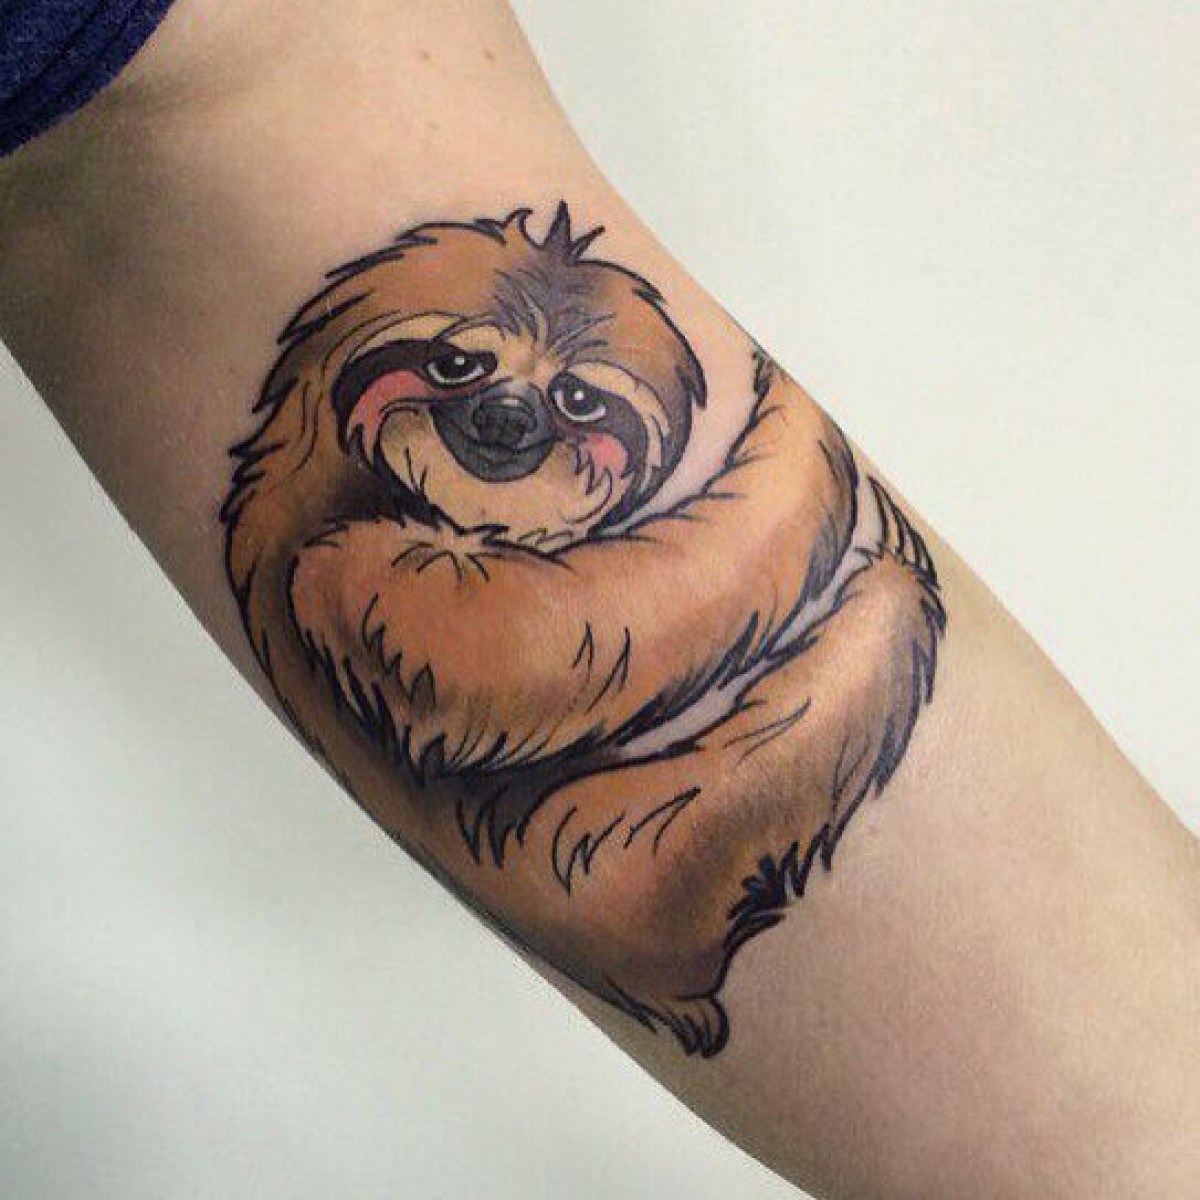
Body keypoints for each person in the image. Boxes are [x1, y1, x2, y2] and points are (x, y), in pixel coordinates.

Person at [1, 3, 1196, 1197]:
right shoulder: (346, 558)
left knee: (873, 625)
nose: (506, 413)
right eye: (459, 366)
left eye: (576, 406)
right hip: (590, 836)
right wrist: (772, 497)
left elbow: (234, 106)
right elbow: (536, 662)